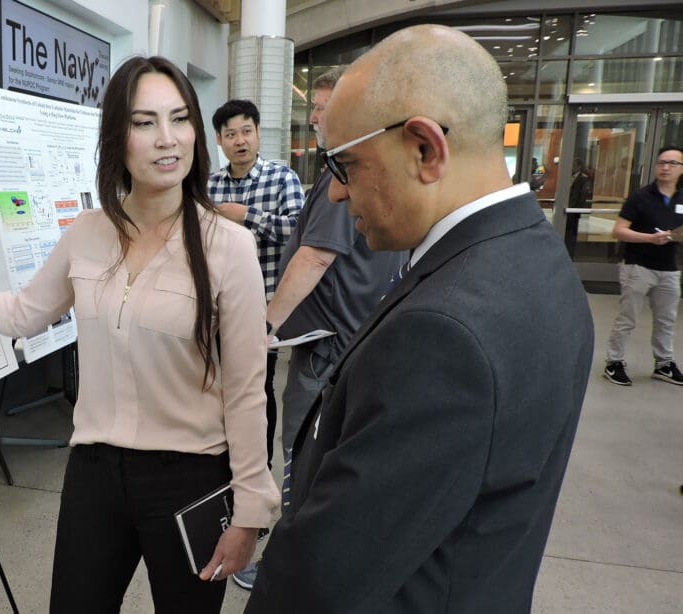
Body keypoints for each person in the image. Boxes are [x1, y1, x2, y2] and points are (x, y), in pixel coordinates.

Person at [0, 56, 278, 613]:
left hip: (191, 480)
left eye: (179, 119)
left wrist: (251, 508)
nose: (167, 139)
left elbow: (247, 387)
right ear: (117, 136)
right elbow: (22, 314)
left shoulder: (228, 247)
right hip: (96, 474)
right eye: (143, 122)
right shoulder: (87, 233)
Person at [245, 24, 594, 613]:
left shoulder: (443, 333)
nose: (333, 195)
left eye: (345, 166)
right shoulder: (538, 256)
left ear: (425, 149)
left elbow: (328, 577)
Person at [231, 65, 406, 591]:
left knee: (301, 458)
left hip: (326, 347)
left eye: (323, 106)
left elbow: (313, 257)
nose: (314, 116)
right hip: (353, 336)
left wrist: (263, 324)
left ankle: (289, 563)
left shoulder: (338, 174)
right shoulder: (366, 169)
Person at [207, 99, 304, 468]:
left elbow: (298, 230)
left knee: (259, 390)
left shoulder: (282, 178)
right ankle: (226, 462)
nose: (240, 141)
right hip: (216, 306)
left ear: (259, 133)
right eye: (231, 134)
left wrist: (247, 216)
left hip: (262, 306)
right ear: (220, 140)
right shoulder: (209, 185)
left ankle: (257, 469)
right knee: (220, 387)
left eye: (246, 131)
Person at [603, 145, 683, 386]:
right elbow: (619, 230)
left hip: (669, 268)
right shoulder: (641, 197)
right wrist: (650, 238)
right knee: (628, 318)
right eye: (661, 163)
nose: (665, 167)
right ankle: (613, 362)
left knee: (666, 319)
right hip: (638, 267)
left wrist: (674, 235)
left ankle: (663, 364)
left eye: (671, 163)